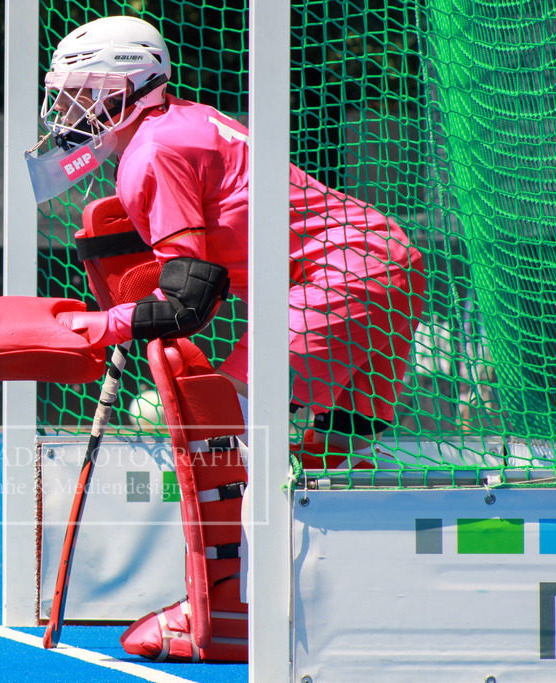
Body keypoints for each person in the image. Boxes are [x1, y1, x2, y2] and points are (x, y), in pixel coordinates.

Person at [26, 15, 425, 464]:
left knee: (225, 428)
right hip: (386, 257)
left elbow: (188, 297)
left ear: (125, 87)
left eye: (80, 91)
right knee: (340, 440)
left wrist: (97, 326)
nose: (65, 109)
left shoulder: (151, 153)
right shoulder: (184, 116)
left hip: (343, 271)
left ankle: (225, 536)